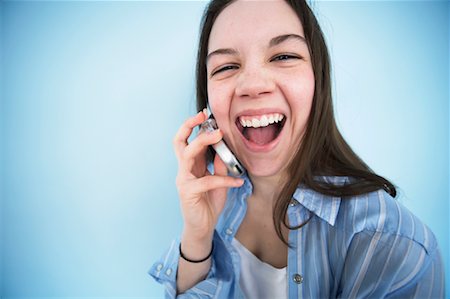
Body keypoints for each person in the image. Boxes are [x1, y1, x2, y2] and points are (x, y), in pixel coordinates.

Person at [149, 0, 445, 298]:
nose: (252, 85)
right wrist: (198, 238)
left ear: (317, 78)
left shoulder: (392, 243)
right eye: (226, 66)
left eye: (283, 56)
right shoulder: (216, 199)